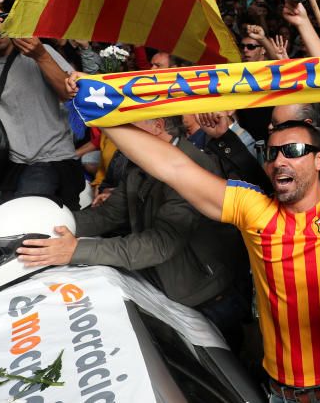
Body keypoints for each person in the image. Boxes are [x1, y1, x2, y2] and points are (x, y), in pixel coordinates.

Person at [58, 48, 320, 402]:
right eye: (272, 152)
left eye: (295, 150)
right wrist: (100, 111)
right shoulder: (253, 209)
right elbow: (171, 166)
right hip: (280, 394)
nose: (279, 159)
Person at [17, 115, 251, 351]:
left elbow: (161, 243)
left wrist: (75, 250)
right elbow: (107, 215)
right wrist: (48, 226)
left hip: (208, 299)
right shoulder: (142, 164)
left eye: (126, 128)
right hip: (169, 289)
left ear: (157, 126)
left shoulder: (193, 169)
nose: (120, 139)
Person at [0, 6, 84, 209]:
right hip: (11, 165)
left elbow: (71, 94)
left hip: (51, 159)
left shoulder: (39, 54)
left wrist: (41, 54)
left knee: (27, 217)